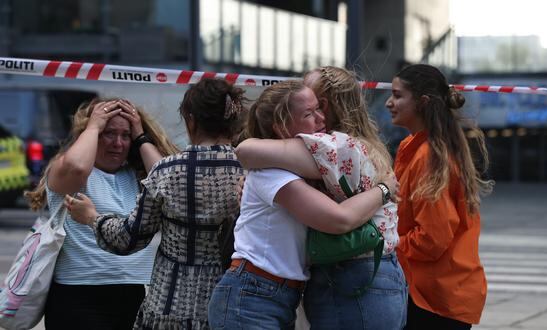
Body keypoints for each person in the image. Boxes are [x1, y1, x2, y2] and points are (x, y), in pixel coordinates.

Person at [207, 80, 392, 329]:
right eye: (308, 113)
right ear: (281, 127)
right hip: (253, 295)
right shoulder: (271, 172)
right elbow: (339, 219)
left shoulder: (292, 167)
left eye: (319, 108)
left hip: (271, 294)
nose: (320, 118)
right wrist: (385, 189)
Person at [64, 78, 247, 329]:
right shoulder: (251, 171)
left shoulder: (168, 171)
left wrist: (92, 218)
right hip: (232, 305)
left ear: (190, 120)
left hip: (169, 306)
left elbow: (127, 239)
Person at [24, 98, 177, 329]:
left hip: (134, 295)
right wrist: (94, 125)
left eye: (125, 135)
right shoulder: (68, 170)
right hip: (78, 297)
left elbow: (172, 187)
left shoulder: (136, 175)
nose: (118, 143)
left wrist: (140, 135)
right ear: (90, 134)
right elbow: (77, 166)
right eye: (108, 133)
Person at [385, 64, 494, 329]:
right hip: (437, 290)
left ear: (422, 102)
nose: (389, 102)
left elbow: (432, 238)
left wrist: (387, 244)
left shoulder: (429, 155)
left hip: (435, 297)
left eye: (398, 95)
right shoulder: (419, 145)